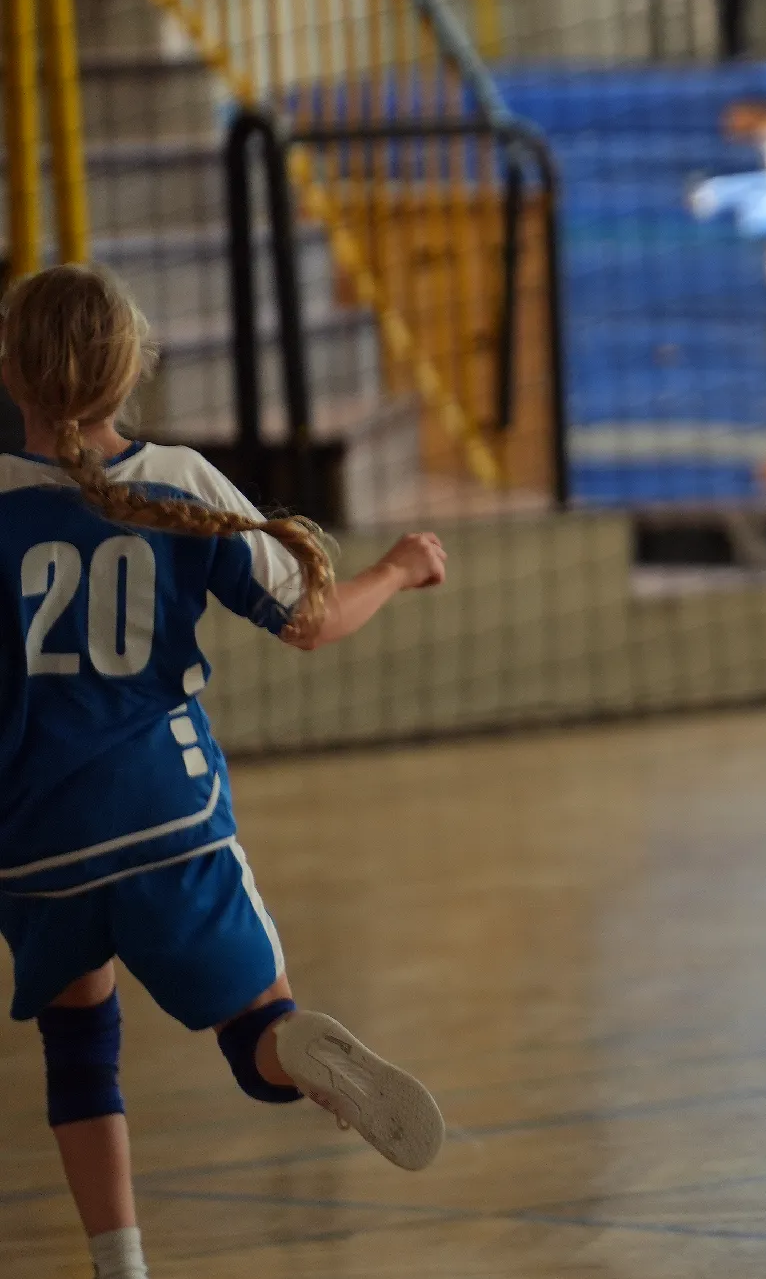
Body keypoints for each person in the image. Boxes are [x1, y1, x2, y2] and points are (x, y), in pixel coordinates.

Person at [0, 267, 451, 1279]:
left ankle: (121, 1263)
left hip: (33, 836)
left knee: (79, 1049)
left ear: (10, 373)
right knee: (257, 1035)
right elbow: (310, 621)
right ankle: (292, 1049)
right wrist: (396, 567)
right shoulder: (180, 481)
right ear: (131, 372)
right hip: (166, 814)